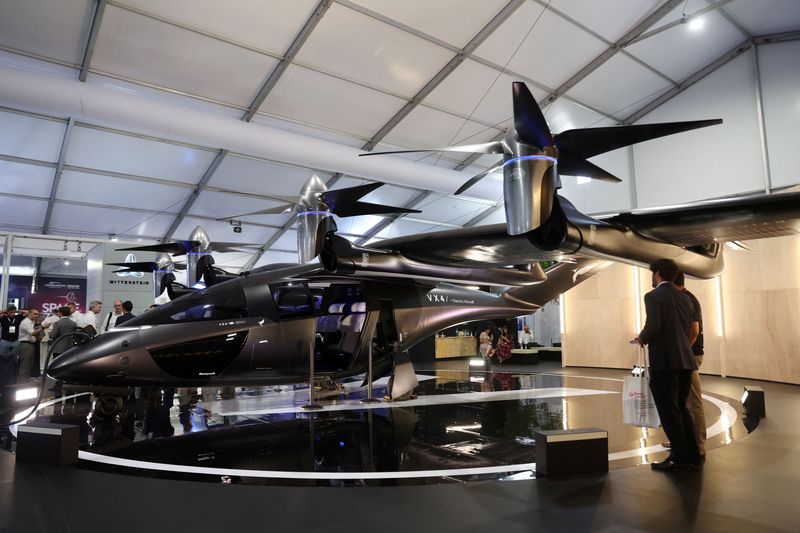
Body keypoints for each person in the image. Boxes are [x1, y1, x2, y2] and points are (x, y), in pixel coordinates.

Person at [634, 258, 702, 471]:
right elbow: (685, 329)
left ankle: (679, 458)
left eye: (652, 273)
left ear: (658, 274)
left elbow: (653, 326)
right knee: (682, 407)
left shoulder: (653, 296)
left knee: (668, 409)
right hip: (686, 360)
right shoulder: (685, 298)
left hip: (665, 361)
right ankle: (693, 456)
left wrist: (642, 337)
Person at [671, 271, 707, 458]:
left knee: (693, 401)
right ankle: (683, 439)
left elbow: (694, 331)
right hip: (688, 355)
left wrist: (682, 353)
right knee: (682, 401)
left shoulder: (686, 299)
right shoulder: (685, 298)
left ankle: (699, 443)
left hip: (690, 356)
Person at [49, 306, 78, 394]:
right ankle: (67, 384)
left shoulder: (58, 323)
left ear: (61, 313)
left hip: (58, 349)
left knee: (58, 368)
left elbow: (52, 336)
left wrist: (50, 332)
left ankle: (58, 386)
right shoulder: (73, 323)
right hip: (69, 348)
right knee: (67, 368)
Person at [17, 308, 43, 382]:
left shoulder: (32, 323)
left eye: (38, 314)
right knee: (25, 366)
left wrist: (39, 336)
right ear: (29, 314)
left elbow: (35, 335)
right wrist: (43, 327)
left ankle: (26, 381)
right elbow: (33, 333)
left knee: (29, 365)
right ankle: (22, 383)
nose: (37, 315)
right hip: (26, 345)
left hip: (31, 344)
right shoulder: (25, 322)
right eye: (35, 314)